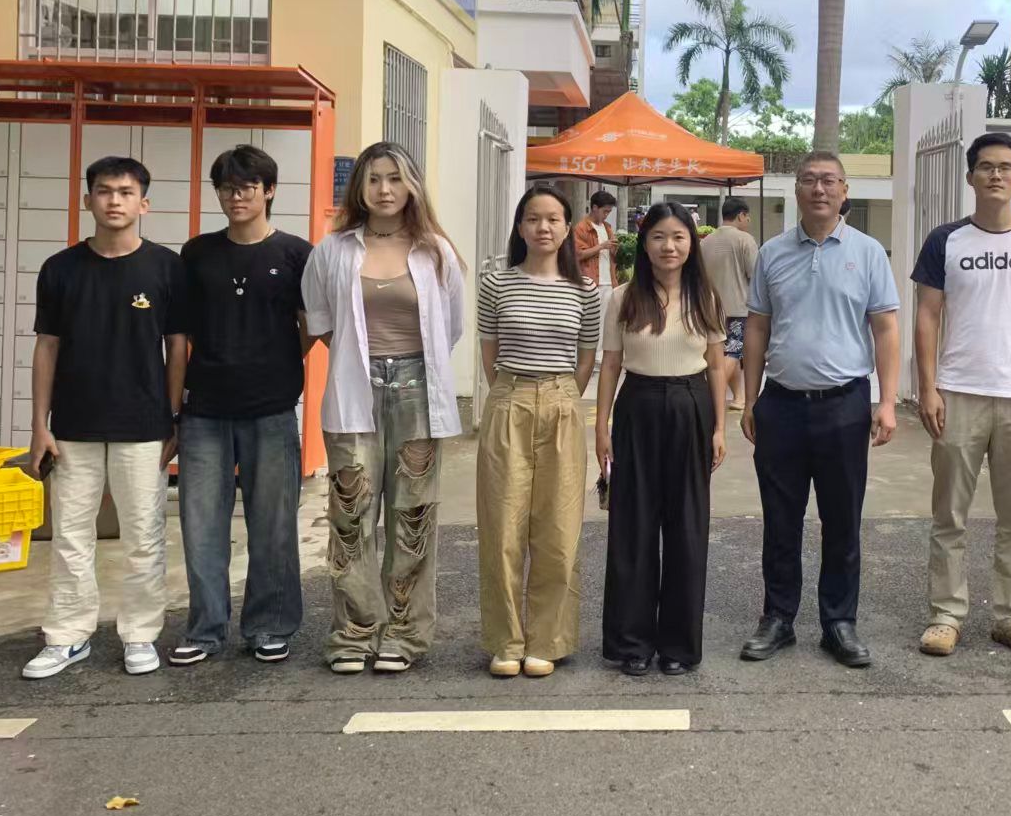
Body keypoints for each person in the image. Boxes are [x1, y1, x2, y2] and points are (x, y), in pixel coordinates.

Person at [21, 157, 188, 680]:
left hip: (144, 425)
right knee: (71, 536)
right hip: (73, 425)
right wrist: (40, 425)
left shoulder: (166, 267)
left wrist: (174, 416)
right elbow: (47, 347)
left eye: (125, 191)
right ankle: (68, 635)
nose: (114, 200)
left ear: (144, 203)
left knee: (144, 536)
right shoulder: (60, 269)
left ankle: (140, 634)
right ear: (87, 199)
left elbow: (177, 348)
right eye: (104, 191)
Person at [302, 142, 464, 675]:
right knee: (351, 515)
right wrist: (364, 363)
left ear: (412, 185)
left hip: (417, 393)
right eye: (373, 179)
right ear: (360, 188)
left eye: (395, 178)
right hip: (355, 392)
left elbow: (451, 327)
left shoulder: (435, 251)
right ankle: (353, 633)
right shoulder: (333, 250)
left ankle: (405, 633)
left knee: (412, 515)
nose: (385, 189)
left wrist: (404, 367)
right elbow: (320, 320)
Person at [739, 152, 901, 669]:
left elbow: (886, 329)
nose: (818, 189)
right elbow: (757, 327)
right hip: (781, 404)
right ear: (796, 190)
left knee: (842, 519)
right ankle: (778, 618)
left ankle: (839, 622)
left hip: (844, 405)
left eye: (829, 180)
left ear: (844, 190)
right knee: (780, 519)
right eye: (808, 180)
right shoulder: (772, 253)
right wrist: (749, 398)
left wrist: (887, 402)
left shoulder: (868, 252)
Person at [913, 132, 1011, 661]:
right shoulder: (945, 241)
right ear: (971, 177)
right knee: (949, 516)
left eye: (1005, 167)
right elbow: (927, 315)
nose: (996, 175)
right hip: (958, 392)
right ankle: (946, 615)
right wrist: (928, 387)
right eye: (986, 167)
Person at [169, 146, 314, 667]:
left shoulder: (296, 254)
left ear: (268, 191)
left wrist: (272, 363)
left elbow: (309, 327)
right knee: (201, 525)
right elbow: (181, 334)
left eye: (248, 187)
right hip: (204, 410)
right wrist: (174, 411)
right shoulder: (197, 253)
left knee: (273, 525)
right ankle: (205, 629)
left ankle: (270, 625)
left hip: (271, 408)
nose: (237, 197)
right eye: (227, 188)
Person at [595, 202, 727, 676]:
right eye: (658, 237)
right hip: (638, 406)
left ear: (692, 243)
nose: (668, 246)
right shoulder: (622, 298)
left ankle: (678, 645)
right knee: (633, 526)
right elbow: (611, 364)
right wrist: (601, 426)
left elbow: (716, 365)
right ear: (644, 243)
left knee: (687, 527)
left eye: (678, 237)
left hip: (691, 406)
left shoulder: (705, 297)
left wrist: (719, 428)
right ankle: (632, 642)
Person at [477, 184, 603, 678]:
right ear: (520, 226)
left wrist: (562, 395)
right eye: (533, 218)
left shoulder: (585, 291)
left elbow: (587, 356)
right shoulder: (496, 283)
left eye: (553, 219)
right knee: (502, 529)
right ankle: (506, 641)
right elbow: (490, 352)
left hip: (562, 403)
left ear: (568, 227)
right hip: (508, 399)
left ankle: (548, 640)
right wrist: (511, 394)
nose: (543, 227)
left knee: (558, 529)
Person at [700, 196, 758, 411]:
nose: (748, 221)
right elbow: (756, 275)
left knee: (720, 354)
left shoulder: (705, 242)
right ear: (741, 215)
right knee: (733, 353)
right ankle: (709, 396)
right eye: (747, 217)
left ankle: (738, 398)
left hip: (709, 309)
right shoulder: (745, 240)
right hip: (738, 308)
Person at [574, 189, 621, 345]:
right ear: (594, 207)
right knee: (589, 321)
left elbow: (611, 255)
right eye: (605, 211)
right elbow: (578, 254)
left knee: (605, 321)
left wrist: (615, 249)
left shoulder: (607, 227)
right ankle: (587, 353)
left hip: (608, 280)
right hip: (591, 281)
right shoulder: (581, 228)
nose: (607, 215)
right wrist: (602, 246)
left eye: (609, 211)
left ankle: (599, 354)